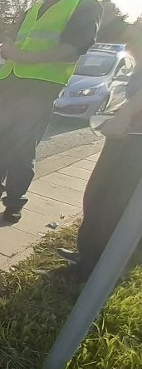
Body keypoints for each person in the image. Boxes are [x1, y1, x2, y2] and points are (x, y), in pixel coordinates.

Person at [0, 0, 103, 222]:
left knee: (22, 146)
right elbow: (19, 38)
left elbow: (73, 48)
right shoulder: (37, 6)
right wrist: (7, 48)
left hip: (40, 86)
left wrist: (23, 57)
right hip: (12, 82)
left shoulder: (85, 3)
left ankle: (14, 202)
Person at [57, 63, 142, 273]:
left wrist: (127, 113)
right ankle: (88, 255)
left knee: (109, 201)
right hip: (129, 133)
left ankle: (92, 267)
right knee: (98, 196)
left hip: (135, 138)